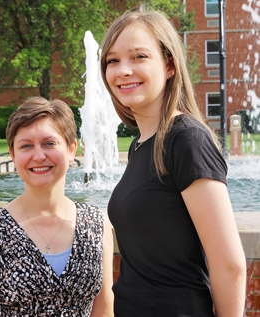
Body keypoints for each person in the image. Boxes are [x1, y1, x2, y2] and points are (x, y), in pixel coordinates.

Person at [100, 9, 246, 317]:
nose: (123, 70)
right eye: (113, 60)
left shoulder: (186, 140)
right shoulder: (139, 146)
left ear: (169, 65)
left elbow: (229, 264)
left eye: (139, 56)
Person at [0, 96, 114, 316]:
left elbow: (104, 312)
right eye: (26, 146)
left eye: (49, 143)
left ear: (72, 149)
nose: (39, 156)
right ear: (13, 154)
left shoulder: (96, 225)